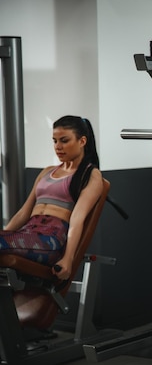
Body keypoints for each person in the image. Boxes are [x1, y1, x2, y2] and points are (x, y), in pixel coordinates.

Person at [1, 115, 102, 281]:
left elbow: (77, 219)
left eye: (64, 140)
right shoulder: (47, 172)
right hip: (27, 233)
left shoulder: (91, 175)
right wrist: (6, 234)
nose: (58, 147)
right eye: (54, 141)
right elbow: (23, 214)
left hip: (50, 240)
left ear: (82, 141)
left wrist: (68, 259)